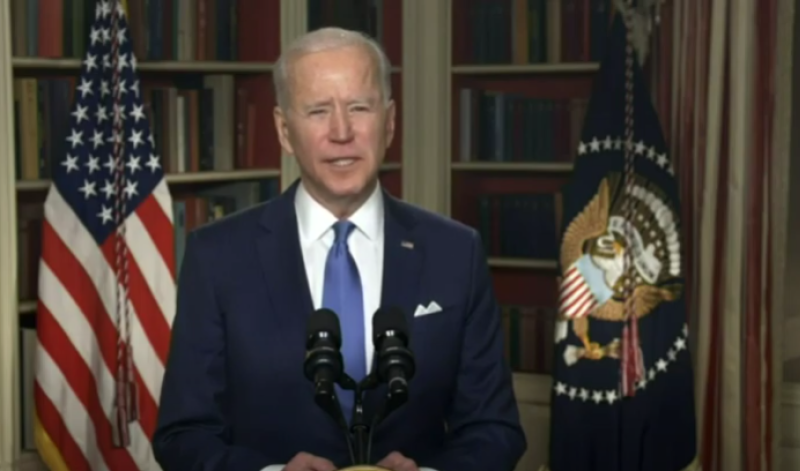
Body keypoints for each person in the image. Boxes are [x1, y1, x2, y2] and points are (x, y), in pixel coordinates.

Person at [152, 26, 527, 471]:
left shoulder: (455, 252)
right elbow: (184, 435)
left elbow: (495, 430)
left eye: (358, 107)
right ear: (284, 131)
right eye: (317, 111)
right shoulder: (216, 256)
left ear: (389, 122)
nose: (342, 131)